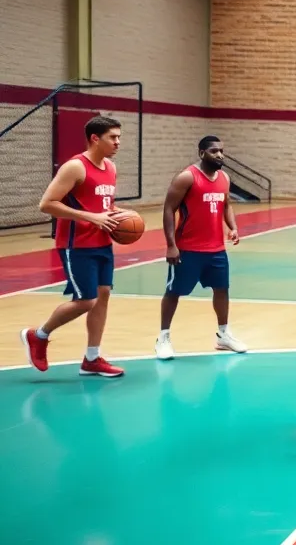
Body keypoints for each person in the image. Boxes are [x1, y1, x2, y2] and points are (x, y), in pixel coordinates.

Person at [20, 116, 135, 378]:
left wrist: (118, 214)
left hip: (103, 242)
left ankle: (92, 358)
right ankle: (38, 335)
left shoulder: (110, 167)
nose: (118, 142)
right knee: (86, 301)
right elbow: (47, 204)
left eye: (119, 137)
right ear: (95, 138)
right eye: (113, 137)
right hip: (77, 245)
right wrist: (91, 218)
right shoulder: (75, 167)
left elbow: (102, 205)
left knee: (102, 296)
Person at [155, 136, 246, 360]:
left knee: (222, 289)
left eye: (221, 151)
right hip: (188, 249)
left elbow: (226, 204)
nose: (220, 155)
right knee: (174, 292)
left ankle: (223, 334)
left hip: (216, 249)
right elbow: (169, 209)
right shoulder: (187, 177)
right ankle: (163, 337)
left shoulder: (224, 177)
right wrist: (171, 245)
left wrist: (232, 227)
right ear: (201, 153)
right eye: (214, 151)